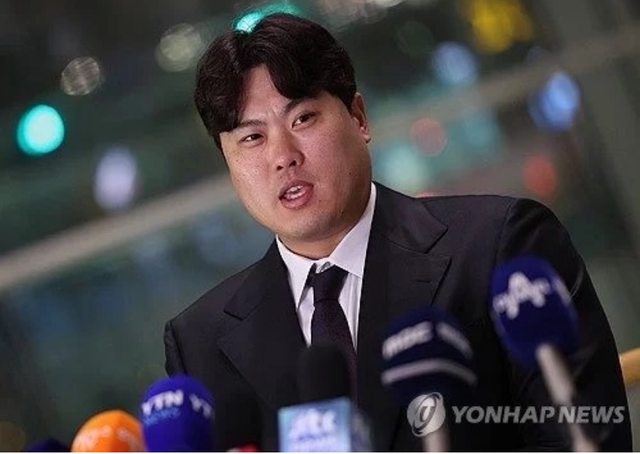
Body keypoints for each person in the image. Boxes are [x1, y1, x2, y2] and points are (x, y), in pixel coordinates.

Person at [164, 13, 631, 451]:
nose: (283, 156)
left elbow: (588, 439)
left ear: (359, 118)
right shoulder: (200, 342)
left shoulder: (501, 247)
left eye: (302, 118)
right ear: (229, 164)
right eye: (252, 137)